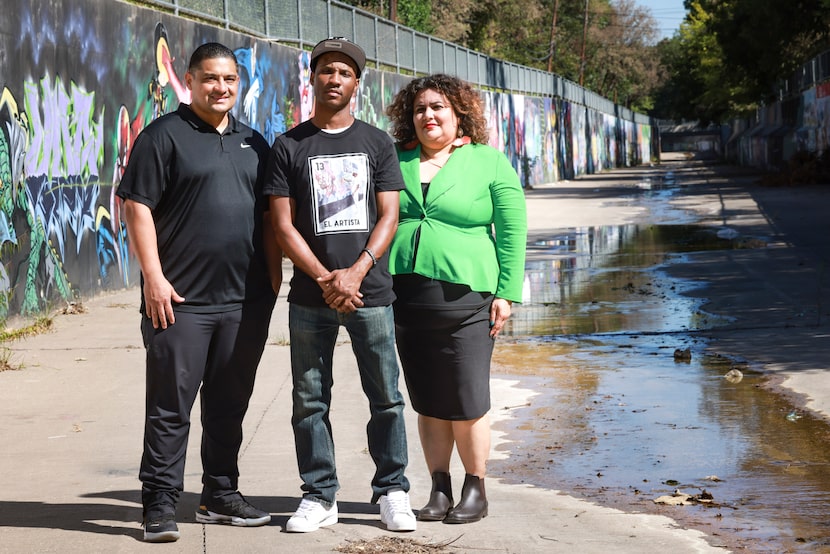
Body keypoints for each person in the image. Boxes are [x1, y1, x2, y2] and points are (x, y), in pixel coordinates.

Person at [117, 42, 282, 543]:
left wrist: (272, 284)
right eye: (211, 78)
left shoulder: (255, 142)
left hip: (245, 302)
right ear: (189, 81)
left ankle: (219, 494)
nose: (221, 88)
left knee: (229, 404)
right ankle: (160, 503)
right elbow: (136, 207)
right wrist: (153, 278)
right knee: (170, 407)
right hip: (179, 302)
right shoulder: (163, 136)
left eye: (230, 79)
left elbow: (271, 218)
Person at [264, 37, 416, 533]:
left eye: (344, 72)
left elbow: (389, 214)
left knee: (386, 396)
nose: (335, 79)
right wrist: (326, 278)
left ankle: (392, 490)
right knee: (309, 400)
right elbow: (282, 225)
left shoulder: (376, 143)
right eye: (326, 70)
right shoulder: (288, 146)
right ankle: (319, 494)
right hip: (311, 297)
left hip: (370, 294)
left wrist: (356, 272)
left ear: (356, 82)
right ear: (312, 78)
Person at [385, 74, 527, 524]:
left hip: (469, 299)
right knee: (427, 400)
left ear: (459, 113)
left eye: (438, 107)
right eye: (420, 108)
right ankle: (439, 488)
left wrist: (507, 293)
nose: (428, 115)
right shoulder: (395, 160)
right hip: (407, 299)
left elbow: (511, 229)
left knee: (466, 398)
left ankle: (475, 488)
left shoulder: (488, 162)